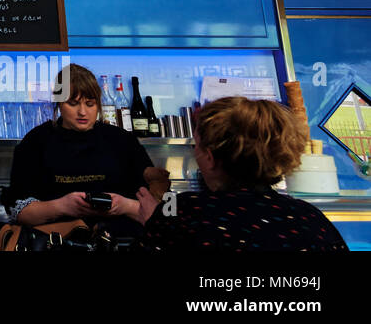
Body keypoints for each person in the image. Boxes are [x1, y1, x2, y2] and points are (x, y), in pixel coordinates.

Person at [138, 96, 348, 251]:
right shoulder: (310, 216)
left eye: (197, 146)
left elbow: (163, 227)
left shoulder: (182, 208)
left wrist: (154, 220)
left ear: (210, 157)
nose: (194, 152)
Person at [3, 64, 157, 236]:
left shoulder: (123, 140)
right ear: (59, 103)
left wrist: (125, 206)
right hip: (55, 244)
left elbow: (162, 209)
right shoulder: (36, 141)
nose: (82, 112)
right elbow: (19, 212)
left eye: (90, 104)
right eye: (73, 103)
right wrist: (62, 207)